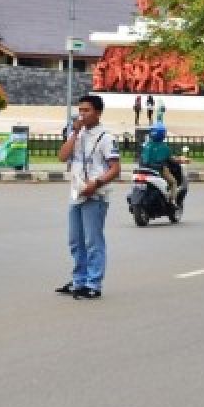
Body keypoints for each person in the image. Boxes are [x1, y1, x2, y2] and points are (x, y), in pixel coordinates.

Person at [56, 94, 121, 300]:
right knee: (75, 240)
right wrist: (74, 133)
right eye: (80, 110)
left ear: (98, 113)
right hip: (77, 193)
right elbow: (62, 157)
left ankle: (93, 283)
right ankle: (79, 280)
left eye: (87, 110)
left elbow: (115, 168)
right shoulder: (77, 133)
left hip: (95, 194)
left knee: (93, 241)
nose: (82, 114)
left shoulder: (106, 138)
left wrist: (97, 183)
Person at [141, 123, 176, 202]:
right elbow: (171, 159)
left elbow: (142, 156)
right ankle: (172, 201)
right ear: (163, 134)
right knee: (173, 182)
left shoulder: (146, 145)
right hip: (159, 169)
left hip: (144, 169)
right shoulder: (164, 147)